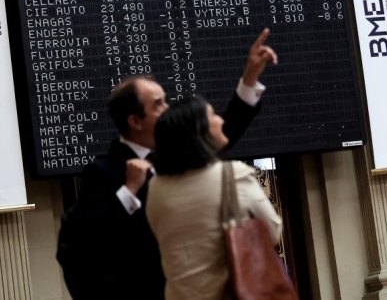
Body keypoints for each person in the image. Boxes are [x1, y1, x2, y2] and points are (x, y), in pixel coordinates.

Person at [59, 28, 278, 300]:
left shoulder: (174, 155)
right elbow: (89, 238)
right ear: (135, 121)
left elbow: (220, 133)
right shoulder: (103, 171)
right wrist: (128, 190)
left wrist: (249, 79)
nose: (168, 109)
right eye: (158, 105)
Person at [146, 96, 283, 300]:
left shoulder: (156, 186)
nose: (220, 120)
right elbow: (273, 231)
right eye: (212, 116)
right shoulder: (233, 174)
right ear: (198, 132)